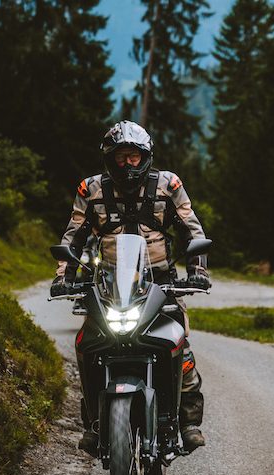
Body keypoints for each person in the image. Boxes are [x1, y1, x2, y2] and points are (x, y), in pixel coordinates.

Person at [51, 120, 210, 454]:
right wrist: (63, 275)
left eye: (134, 157)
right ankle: (94, 420)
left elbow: (191, 229)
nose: (127, 164)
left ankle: (188, 421)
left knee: (180, 345)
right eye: (121, 157)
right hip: (108, 285)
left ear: (145, 157)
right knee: (88, 346)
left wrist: (197, 269)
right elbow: (74, 235)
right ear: (110, 157)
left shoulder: (169, 185)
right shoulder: (90, 189)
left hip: (161, 282)